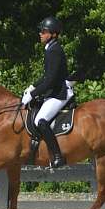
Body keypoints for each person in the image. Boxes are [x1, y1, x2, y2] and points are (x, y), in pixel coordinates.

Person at [21, 16, 73, 168]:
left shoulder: (54, 50)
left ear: (53, 34)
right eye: (41, 31)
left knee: (40, 120)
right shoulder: (50, 48)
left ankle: (57, 156)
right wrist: (32, 86)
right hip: (54, 91)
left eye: (44, 31)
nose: (41, 34)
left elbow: (50, 80)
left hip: (59, 93)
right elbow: (46, 76)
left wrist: (33, 94)